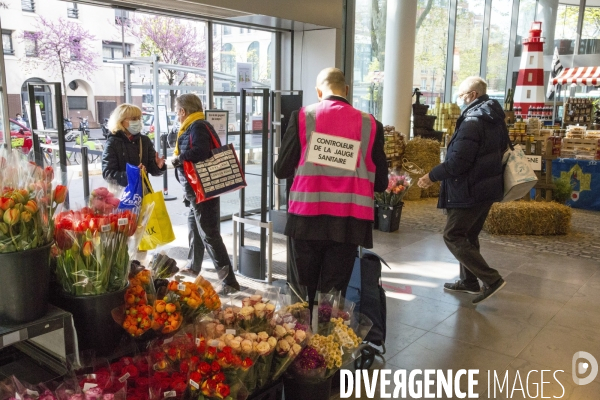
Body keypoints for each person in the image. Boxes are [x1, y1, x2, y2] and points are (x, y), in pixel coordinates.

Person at [274, 67, 388, 313]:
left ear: (318, 92)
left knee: (300, 297)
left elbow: (281, 169)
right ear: (346, 90)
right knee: (332, 299)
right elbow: (381, 183)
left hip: (305, 219)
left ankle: (299, 345)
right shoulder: (371, 125)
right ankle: (326, 348)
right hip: (349, 223)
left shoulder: (303, 117)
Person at [417, 76, 509, 305]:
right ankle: (469, 282)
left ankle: (492, 279)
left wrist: (431, 176)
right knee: (468, 235)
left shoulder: (473, 121)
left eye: (461, 96)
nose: (459, 100)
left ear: (473, 95)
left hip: (469, 189)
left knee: (453, 234)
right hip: (485, 188)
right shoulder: (494, 118)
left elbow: (458, 162)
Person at [171, 93, 240, 290]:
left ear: (183, 111)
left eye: (177, 112)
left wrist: (178, 159)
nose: (177, 115)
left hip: (202, 188)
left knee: (209, 234)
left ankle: (230, 282)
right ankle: (193, 266)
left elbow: (200, 152)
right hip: (195, 189)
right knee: (195, 227)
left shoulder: (197, 126)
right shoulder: (195, 125)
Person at [102, 104, 166, 187]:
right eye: (133, 119)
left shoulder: (144, 140)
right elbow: (108, 174)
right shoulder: (112, 142)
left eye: (139, 118)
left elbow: (152, 170)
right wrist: (132, 175)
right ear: (121, 121)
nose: (138, 121)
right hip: (122, 194)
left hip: (142, 193)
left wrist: (158, 166)